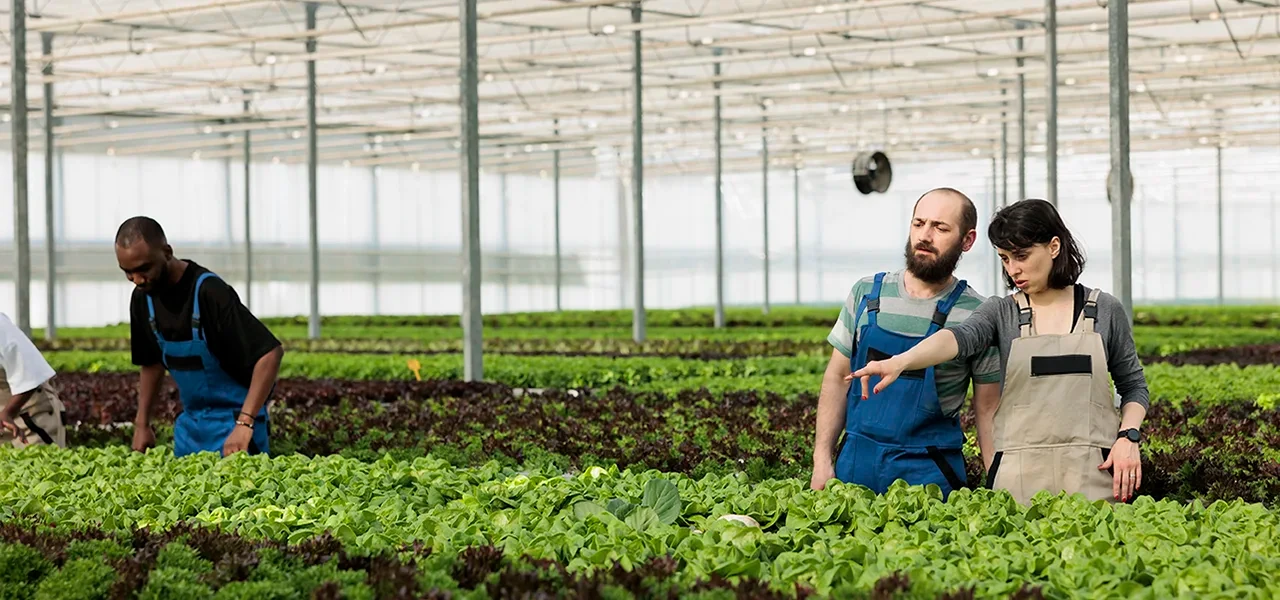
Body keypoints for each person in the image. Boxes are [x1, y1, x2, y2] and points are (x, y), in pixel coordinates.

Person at [849, 199, 1149, 505]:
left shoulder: (1104, 310)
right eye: (1005, 259)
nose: (1013, 270)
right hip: (1018, 480)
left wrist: (1128, 436)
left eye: (1021, 256)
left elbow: (1134, 387)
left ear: (1054, 247)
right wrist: (902, 361)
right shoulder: (1001, 312)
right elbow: (957, 338)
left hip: (1093, 474)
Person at [811, 188, 1003, 498]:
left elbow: (988, 409)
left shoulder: (977, 314)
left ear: (967, 240)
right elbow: (836, 379)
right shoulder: (866, 294)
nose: (925, 235)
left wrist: (998, 484)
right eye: (919, 223)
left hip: (930, 475)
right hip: (855, 465)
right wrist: (822, 459)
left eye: (940, 227)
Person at [115, 216, 284, 458]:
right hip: (191, 429)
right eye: (128, 272)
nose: (137, 280)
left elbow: (270, 354)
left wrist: (245, 424)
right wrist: (142, 425)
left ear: (167, 252)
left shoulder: (209, 292)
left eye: (144, 268)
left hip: (235, 426)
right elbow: (151, 364)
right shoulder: (142, 299)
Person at [0, 313, 66, 449]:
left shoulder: (1, 328)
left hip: (29, 410)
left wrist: (7, 413)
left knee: (40, 464)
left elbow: (30, 375)